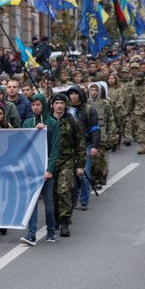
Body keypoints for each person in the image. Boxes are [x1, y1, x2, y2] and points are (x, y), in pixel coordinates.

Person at [21, 93, 60, 245]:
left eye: (38, 104)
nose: (35, 108)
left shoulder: (52, 123)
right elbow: (23, 146)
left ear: (43, 105)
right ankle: (31, 234)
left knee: (49, 202)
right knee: (32, 202)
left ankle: (50, 231)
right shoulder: (27, 123)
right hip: (31, 169)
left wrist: (50, 169)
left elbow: (56, 147)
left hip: (46, 169)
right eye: (33, 105)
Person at [50, 93, 85, 237]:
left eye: (62, 103)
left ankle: (65, 221)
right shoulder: (47, 121)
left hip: (67, 161)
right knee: (52, 193)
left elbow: (80, 144)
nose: (59, 106)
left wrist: (80, 165)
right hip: (51, 161)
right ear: (52, 105)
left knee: (64, 190)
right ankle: (56, 218)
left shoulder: (72, 121)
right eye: (56, 103)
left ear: (66, 105)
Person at [66, 86, 101, 210]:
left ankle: (84, 201)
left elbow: (95, 129)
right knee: (72, 175)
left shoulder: (89, 110)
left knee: (84, 173)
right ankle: (73, 200)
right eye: (71, 94)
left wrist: (94, 146)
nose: (73, 96)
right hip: (70, 146)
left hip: (86, 145)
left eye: (76, 94)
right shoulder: (66, 109)